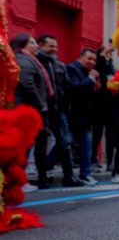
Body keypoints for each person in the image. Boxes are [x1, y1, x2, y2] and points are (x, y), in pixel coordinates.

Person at [36, 35, 82, 187]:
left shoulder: (60, 66)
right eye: (50, 46)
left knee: (65, 143)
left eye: (55, 46)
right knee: (40, 144)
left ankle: (69, 177)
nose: (54, 49)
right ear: (40, 45)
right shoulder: (36, 63)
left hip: (60, 111)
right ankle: (42, 178)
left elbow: (68, 88)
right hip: (42, 111)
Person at [11, 33, 53, 190]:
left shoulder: (32, 60)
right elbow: (28, 84)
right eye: (33, 43)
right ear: (23, 45)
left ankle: (22, 181)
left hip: (31, 110)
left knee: (30, 147)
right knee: (23, 148)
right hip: (27, 111)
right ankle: (19, 182)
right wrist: (41, 104)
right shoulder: (23, 60)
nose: (36, 46)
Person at [66, 49, 100, 186]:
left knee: (67, 143)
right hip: (73, 113)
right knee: (71, 143)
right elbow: (75, 89)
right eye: (89, 58)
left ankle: (48, 166)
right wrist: (91, 79)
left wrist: (96, 86)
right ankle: (85, 173)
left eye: (94, 60)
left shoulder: (89, 73)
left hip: (86, 115)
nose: (92, 62)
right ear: (81, 57)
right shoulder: (72, 68)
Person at [91, 43, 115, 171]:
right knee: (97, 134)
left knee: (111, 135)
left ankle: (110, 161)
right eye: (105, 52)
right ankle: (93, 159)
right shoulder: (98, 66)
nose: (108, 54)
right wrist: (103, 55)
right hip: (99, 105)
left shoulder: (111, 67)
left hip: (111, 106)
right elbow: (100, 65)